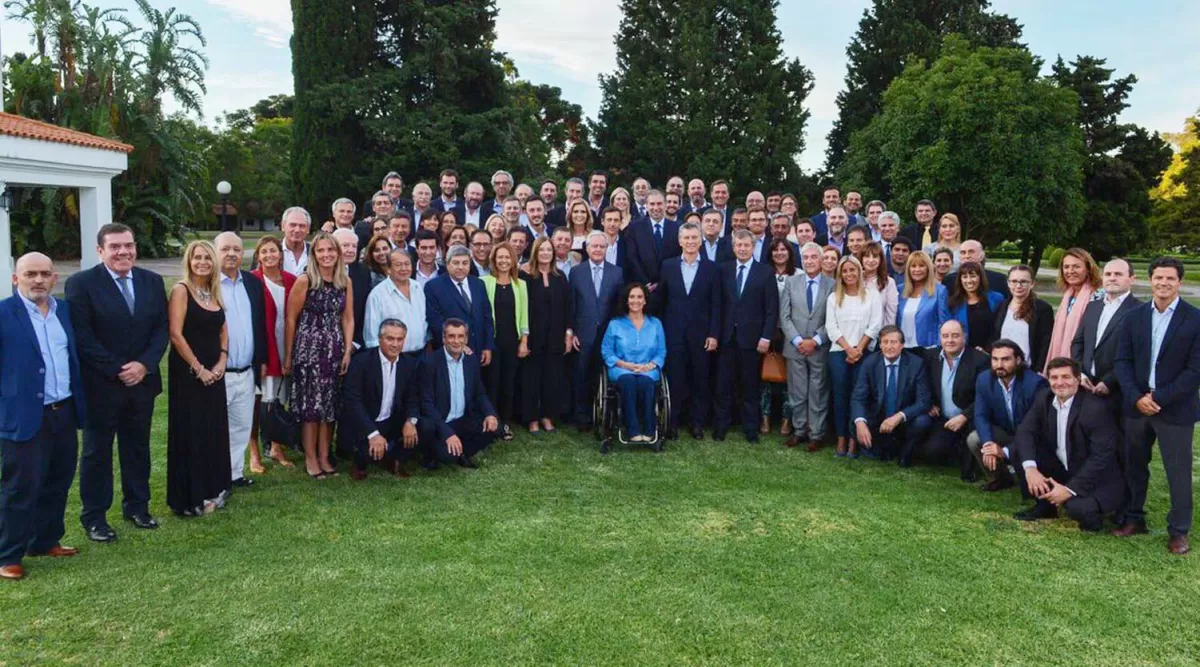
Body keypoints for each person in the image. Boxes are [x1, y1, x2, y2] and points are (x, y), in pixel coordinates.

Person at [66, 223, 169, 542]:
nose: (124, 252)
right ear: (100, 251)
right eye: (115, 247)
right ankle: (95, 517)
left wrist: (144, 365)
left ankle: (137, 507)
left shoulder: (151, 281)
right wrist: (117, 369)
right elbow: (82, 336)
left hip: (143, 382)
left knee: (137, 447)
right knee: (97, 452)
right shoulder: (81, 284)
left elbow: (161, 329)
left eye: (129, 245)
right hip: (102, 385)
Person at [0, 253, 86, 581]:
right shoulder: (4, 313)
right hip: (23, 415)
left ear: (54, 278)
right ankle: (9, 554)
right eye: (30, 274)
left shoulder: (63, 311)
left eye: (45, 274)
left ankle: (45, 540)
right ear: (15, 279)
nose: (38, 280)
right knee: (20, 486)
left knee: (58, 480)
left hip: (62, 410)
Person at [1114, 257, 1200, 554]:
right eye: (1158, 278)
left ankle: (1178, 531)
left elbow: (1195, 370)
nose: (1163, 283)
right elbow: (1122, 361)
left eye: (1170, 279)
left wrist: (1159, 398)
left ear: (1180, 282)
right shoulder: (1134, 317)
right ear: (1149, 280)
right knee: (1134, 466)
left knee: (1178, 472)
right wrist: (1136, 397)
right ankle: (1134, 518)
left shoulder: (1194, 319)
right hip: (1136, 406)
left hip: (1174, 409)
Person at [1010, 357, 1126, 531]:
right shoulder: (1045, 397)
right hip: (1064, 467)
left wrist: (1069, 490)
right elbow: (1025, 430)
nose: (1059, 383)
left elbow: (1101, 458)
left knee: (1076, 508)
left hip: (1097, 477)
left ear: (1078, 380)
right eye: (1054, 378)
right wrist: (1030, 469)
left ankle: (1102, 512)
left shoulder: (1095, 408)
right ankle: (1045, 507)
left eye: (1065, 377)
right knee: (1019, 450)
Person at [166, 241, 232, 516]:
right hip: (188, 373)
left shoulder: (213, 291)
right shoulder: (181, 291)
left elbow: (223, 330)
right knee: (191, 431)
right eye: (197, 258)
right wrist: (199, 368)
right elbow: (175, 334)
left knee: (211, 429)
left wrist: (222, 360)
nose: (203, 262)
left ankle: (211, 488)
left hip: (214, 372)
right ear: (189, 261)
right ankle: (189, 497)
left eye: (207, 257)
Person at [284, 232, 354, 479]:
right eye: (321, 251)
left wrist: (347, 350)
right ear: (314, 254)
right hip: (308, 351)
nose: (326, 255)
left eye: (331, 250)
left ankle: (325, 456)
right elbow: (291, 319)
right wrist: (289, 356)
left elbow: (348, 318)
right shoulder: (305, 280)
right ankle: (311, 457)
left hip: (334, 350)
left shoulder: (345, 280)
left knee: (329, 407)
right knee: (311, 409)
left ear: (338, 253)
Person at [655, 222, 720, 440]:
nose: (691, 242)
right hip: (674, 332)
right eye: (687, 238)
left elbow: (716, 304)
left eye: (694, 238)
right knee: (676, 378)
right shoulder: (668, 266)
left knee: (700, 379)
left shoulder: (712, 268)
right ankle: (672, 422)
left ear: (700, 240)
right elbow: (662, 300)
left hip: (701, 335)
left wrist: (713, 334)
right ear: (680, 241)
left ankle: (697, 423)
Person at [213, 232, 267, 488]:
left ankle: (234, 473)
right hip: (217, 371)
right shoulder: (207, 284)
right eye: (225, 249)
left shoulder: (252, 283)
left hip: (246, 370)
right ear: (216, 252)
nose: (232, 254)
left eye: (237, 249)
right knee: (215, 428)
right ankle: (214, 473)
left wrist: (262, 362)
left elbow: (260, 324)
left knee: (241, 426)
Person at [714, 230, 779, 443]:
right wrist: (715, 334)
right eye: (738, 245)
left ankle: (751, 428)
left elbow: (771, 309)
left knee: (750, 387)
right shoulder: (723, 270)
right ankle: (721, 426)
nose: (742, 248)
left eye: (746, 245)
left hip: (753, 339)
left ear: (753, 247)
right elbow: (717, 306)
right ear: (733, 247)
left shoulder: (765, 272)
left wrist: (766, 337)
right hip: (727, 338)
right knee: (723, 385)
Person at [341, 319, 422, 481]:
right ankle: (360, 463)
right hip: (364, 423)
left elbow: (413, 398)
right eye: (390, 338)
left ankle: (395, 460)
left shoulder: (409, 364)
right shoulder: (361, 362)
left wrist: (410, 421)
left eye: (400, 339)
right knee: (366, 454)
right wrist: (373, 433)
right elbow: (353, 402)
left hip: (391, 421)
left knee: (423, 427)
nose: (395, 344)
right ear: (379, 339)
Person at [419, 319, 500, 468]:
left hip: (462, 419)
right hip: (440, 422)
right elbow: (426, 405)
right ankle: (432, 454)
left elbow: (479, 393)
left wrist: (490, 414)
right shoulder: (430, 363)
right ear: (443, 338)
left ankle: (462, 452)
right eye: (451, 336)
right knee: (445, 453)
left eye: (460, 336)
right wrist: (447, 433)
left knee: (494, 427)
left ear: (466, 338)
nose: (456, 341)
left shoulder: (471, 360)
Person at [968, 339, 1047, 491]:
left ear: (1018, 360)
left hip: (1032, 438)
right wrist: (988, 445)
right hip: (1006, 432)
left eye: (1005, 359)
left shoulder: (1035, 384)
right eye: (995, 359)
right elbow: (980, 415)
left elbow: (1037, 427)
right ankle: (1000, 479)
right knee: (975, 439)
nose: (999, 365)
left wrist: (1005, 451)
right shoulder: (984, 379)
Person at [826, 255, 883, 457]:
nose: (849, 274)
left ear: (860, 272)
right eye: (845, 271)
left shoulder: (872, 295)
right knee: (840, 397)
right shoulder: (834, 297)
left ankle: (854, 441)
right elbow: (831, 327)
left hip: (865, 352)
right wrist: (848, 349)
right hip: (839, 352)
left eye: (853, 270)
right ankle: (841, 439)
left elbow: (876, 324)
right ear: (840, 274)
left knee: (858, 396)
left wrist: (859, 348)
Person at [780, 242, 835, 451]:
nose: (810, 261)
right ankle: (799, 430)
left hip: (819, 347)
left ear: (821, 260)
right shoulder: (791, 282)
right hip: (795, 347)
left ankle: (817, 434)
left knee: (818, 392)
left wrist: (815, 340)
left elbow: (833, 318)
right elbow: (784, 316)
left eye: (814, 257)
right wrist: (797, 340)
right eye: (806, 258)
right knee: (797, 391)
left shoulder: (832, 285)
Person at [852, 326, 932, 465]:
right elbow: (858, 397)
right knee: (856, 420)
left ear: (902, 345)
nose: (889, 346)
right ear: (880, 345)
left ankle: (905, 453)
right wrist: (860, 422)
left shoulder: (916, 364)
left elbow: (924, 401)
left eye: (894, 342)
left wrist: (899, 416)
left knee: (923, 421)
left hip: (904, 420)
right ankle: (877, 449)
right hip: (879, 418)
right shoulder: (870, 363)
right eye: (885, 342)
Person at [249, 236, 297, 469]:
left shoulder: (291, 280)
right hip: (263, 350)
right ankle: (254, 452)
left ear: (281, 254)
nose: (269, 255)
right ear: (258, 256)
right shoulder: (252, 280)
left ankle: (277, 447)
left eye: (274, 251)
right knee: (259, 403)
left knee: (279, 400)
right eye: (264, 252)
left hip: (285, 347)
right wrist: (260, 357)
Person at [569, 231, 625, 429]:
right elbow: (571, 305)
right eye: (594, 246)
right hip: (583, 334)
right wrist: (572, 331)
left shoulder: (617, 272)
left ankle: (606, 414)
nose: (598, 250)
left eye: (602, 246)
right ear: (587, 248)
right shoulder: (576, 272)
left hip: (607, 335)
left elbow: (619, 307)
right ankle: (582, 416)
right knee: (581, 374)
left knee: (605, 375)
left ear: (606, 249)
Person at [602, 283, 667, 444]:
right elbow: (606, 351)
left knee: (646, 383)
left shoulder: (655, 324)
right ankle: (632, 429)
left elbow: (661, 351)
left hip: (647, 368)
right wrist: (626, 365)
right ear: (626, 300)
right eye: (632, 297)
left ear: (645, 301)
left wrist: (650, 366)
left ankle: (649, 429)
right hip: (621, 368)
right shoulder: (615, 324)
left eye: (639, 297)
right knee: (628, 381)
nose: (635, 301)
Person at [924, 321, 989, 479]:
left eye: (955, 335)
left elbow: (985, 397)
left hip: (971, 418)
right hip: (944, 419)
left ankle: (970, 456)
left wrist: (964, 416)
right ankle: (958, 449)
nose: (950, 340)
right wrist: (930, 403)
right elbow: (923, 384)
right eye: (945, 336)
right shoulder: (931, 356)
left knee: (968, 475)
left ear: (964, 337)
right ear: (940, 338)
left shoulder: (980, 360)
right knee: (932, 452)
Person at [521, 237, 573, 434]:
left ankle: (548, 417)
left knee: (552, 378)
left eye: (548, 250)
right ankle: (532, 418)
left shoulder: (560, 277)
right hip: (532, 335)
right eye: (541, 250)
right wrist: (523, 337)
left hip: (555, 336)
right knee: (531, 378)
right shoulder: (525, 276)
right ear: (535, 252)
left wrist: (568, 333)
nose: (545, 253)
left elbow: (568, 307)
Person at [1071, 259, 1139, 407]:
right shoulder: (1093, 307)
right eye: (1108, 274)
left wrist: (1109, 381)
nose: (1112, 278)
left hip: (1118, 392)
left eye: (1118, 274)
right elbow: (1078, 343)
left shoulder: (1139, 311)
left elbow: (1137, 353)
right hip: (1086, 387)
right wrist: (1080, 374)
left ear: (1132, 279)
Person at [479, 243, 529, 441]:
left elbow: (524, 316)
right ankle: (492, 423)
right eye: (500, 257)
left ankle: (505, 423)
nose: (504, 261)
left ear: (513, 260)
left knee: (508, 384)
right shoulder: (484, 282)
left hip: (512, 341)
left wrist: (524, 341)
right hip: (491, 343)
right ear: (493, 259)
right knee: (491, 383)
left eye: (507, 257)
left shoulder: (521, 285)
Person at [425, 245, 495, 362]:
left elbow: (487, 316)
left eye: (465, 263)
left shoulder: (478, 284)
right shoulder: (433, 287)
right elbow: (435, 321)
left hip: (478, 351)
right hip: (450, 352)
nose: (460, 267)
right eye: (456, 263)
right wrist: (458, 345)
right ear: (447, 264)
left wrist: (487, 346)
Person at [760, 239, 799, 436]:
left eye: (784, 249)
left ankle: (786, 419)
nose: (780, 253)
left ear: (790, 252)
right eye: (775, 250)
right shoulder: (763, 272)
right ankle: (765, 417)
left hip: (791, 332)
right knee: (766, 375)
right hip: (767, 331)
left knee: (788, 378)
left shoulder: (798, 274)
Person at [1045, 247, 1103, 373]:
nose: (1070, 271)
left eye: (1076, 267)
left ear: (1088, 269)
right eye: (1066, 267)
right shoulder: (1068, 295)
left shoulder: (1098, 296)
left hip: (1084, 362)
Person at [364, 249, 428, 354]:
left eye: (407, 264)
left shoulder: (418, 287)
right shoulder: (377, 295)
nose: (404, 268)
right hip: (393, 357)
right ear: (389, 269)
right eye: (398, 265)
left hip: (421, 354)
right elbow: (371, 337)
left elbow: (424, 321)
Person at [993, 265, 1053, 372]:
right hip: (1002, 368)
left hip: (1029, 370)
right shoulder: (1001, 306)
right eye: (1014, 281)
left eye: (1023, 281)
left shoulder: (1042, 309)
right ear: (1008, 283)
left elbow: (1045, 343)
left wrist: (1039, 370)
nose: (1018, 285)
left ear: (1032, 283)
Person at [625, 190, 680, 288]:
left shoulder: (677, 228)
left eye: (659, 204)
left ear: (665, 205)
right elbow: (632, 258)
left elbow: (678, 258)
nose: (656, 208)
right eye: (652, 204)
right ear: (646, 205)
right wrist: (645, 282)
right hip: (643, 288)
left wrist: (662, 284)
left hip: (669, 287)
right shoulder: (634, 227)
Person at [945, 261, 1004, 351]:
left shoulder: (996, 299)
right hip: (965, 353)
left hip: (992, 352)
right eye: (965, 277)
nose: (969, 281)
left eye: (973, 276)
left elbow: (999, 329)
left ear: (980, 278)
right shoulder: (953, 304)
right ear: (960, 280)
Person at [896, 251, 948, 348]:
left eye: (921, 266)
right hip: (902, 348)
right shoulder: (899, 290)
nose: (917, 269)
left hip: (928, 348)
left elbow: (943, 323)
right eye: (913, 266)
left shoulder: (940, 291)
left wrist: (938, 346)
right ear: (908, 269)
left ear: (928, 268)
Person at [941, 240, 1010, 299]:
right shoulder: (949, 280)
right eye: (963, 253)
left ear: (982, 255)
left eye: (971, 252)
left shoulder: (1000, 280)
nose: (967, 256)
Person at [858, 242, 897, 327]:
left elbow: (891, 314)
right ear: (861, 259)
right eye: (867, 256)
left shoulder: (889, 282)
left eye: (875, 257)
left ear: (881, 260)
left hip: (880, 333)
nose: (871, 260)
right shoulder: (855, 281)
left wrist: (886, 335)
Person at [279, 207, 311, 275]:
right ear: (283, 226)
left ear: (308, 229)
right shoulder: (270, 252)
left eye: (302, 226)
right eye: (292, 225)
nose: (297, 230)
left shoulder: (315, 252)